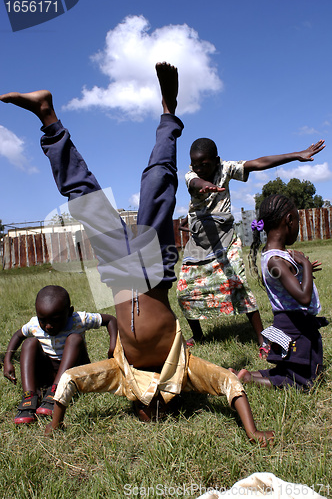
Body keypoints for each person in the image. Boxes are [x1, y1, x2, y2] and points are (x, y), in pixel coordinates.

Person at [0, 63, 274, 446]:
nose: (150, 410)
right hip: (153, 271)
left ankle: (48, 117)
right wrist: (252, 430)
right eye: (157, 410)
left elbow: (73, 380)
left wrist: (55, 421)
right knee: (157, 185)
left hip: (116, 273)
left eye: (144, 412)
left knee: (83, 197)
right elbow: (229, 384)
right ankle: (168, 111)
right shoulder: (186, 371)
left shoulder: (119, 375)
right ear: (172, 401)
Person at [177, 137, 325, 353]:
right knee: (185, 291)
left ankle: (261, 338)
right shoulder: (192, 175)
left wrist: (296, 154)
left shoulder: (225, 168)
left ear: (216, 161)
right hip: (199, 241)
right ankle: (198, 334)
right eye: (196, 165)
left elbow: (258, 163)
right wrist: (205, 185)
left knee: (239, 286)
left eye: (205, 165)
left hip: (224, 238)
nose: (199, 169)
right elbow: (194, 182)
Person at [229, 194, 326, 389]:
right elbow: (304, 297)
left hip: (295, 325)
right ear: (289, 220)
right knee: (304, 383)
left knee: (297, 372)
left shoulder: (275, 256)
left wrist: (301, 272)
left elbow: (287, 282)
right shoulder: (276, 260)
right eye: (297, 221)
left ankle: (248, 374)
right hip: (295, 327)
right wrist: (305, 265)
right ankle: (248, 379)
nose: (298, 227)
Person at [3, 285, 117, 424]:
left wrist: (113, 346)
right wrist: (8, 360)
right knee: (29, 343)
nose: (48, 326)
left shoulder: (79, 320)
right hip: (48, 372)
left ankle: (56, 391)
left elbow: (110, 320)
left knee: (74, 339)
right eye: (43, 320)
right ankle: (29, 396)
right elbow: (17, 335)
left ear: (69, 312)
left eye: (55, 320)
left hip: (74, 371)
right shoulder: (34, 325)